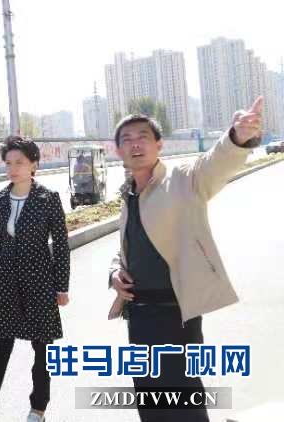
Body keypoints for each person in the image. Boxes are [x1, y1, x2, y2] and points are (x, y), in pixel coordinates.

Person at [107, 97, 264, 422]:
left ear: (159, 145)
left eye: (143, 137)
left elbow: (214, 164)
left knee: (183, 403)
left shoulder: (182, 180)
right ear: (118, 150)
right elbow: (126, 248)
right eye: (127, 139)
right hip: (139, 316)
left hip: (175, 314)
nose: (135, 144)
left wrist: (237, 137)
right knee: (150, 401)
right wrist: (114, 274)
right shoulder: (130, 195)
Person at [0, 136, 70, 422]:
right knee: (0, 346)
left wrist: (61, 287)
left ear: (33, 165)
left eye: (20, 162)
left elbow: (61, 244)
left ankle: (38, 407)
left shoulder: (48, 198)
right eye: (8, 163)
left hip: (40, 283)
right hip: (7, 284)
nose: (13, 168)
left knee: (42, 350)